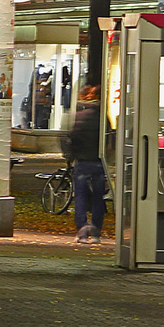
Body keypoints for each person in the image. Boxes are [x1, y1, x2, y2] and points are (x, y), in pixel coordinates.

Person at [66, 84, 106, 245]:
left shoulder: (79, 116)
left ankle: (82, 230)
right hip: (98, 162)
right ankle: (96, 231)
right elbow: (109, 138)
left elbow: (72, 137)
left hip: (82, 161)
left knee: (81, 197)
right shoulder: (103, 118)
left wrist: (71, 156)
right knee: (98, 197)